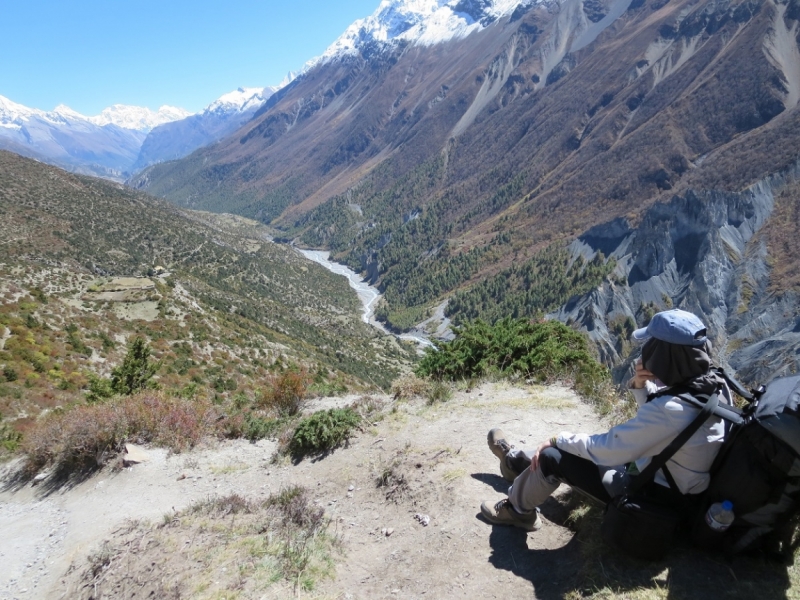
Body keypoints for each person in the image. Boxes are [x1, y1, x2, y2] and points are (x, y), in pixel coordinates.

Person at [480, 309, 732, 531]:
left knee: (553, 456)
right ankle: (515, 461)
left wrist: (556, 438)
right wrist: (640, 385)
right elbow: (669, 429)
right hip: (677, 485)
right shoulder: (714, 386)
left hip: (653, 496)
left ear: (664, 355)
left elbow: (609, 450)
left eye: (652, 344)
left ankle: (517, 510)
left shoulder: (672, 410)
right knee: (574, 446)